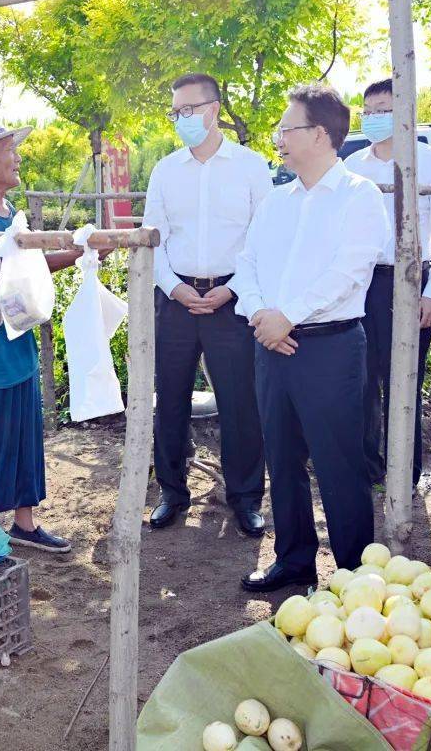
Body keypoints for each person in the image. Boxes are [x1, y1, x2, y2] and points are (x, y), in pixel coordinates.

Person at [230, 84, 389, 593]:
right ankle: (294, 560)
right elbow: (247, 264)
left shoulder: (359, 196)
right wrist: (262, 317)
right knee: (282, 457)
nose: (279, 137)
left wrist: (288, 317)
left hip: (331, 348)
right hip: (271, 346)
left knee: (339, 463)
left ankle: (354, 577)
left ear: (321, 135)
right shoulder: (277, 201)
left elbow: (350, 271)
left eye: (288, 127)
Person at [0, 113, 87, 553]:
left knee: (26, 433)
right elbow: (7, 273)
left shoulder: (6, 213)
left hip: (17, 341)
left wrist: (78, 251)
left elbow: (25, 272)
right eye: (9, 150)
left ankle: (24, 523)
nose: (17, 158)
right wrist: (75, 252)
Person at [142, 73, 273, 537]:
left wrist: (233, 288)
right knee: (170, 399)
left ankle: (245, 499)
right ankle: (172, 493)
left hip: (231, 299)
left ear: (215, 109)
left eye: (189, 110)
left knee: (241, 402)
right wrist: (174, 287)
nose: (182, 119)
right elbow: (152, 240)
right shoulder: (166, 170)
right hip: (176, 299)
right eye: (175, 112)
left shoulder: (252, 167)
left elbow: (264, 238)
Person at [345, 78, 431, 488]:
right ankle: (367, 468)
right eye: (369, 110)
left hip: (409, 280)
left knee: (404, 382)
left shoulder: (430, 163)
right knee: (360, 381)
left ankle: (404, 474)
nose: (375, 117)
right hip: (361, 284)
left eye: (384, 109)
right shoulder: (353, 166)